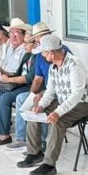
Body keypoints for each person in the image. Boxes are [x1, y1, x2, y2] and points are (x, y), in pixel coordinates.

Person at [17, 34, 88, 175]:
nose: (41, 55)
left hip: (86, 103)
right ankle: (34, 153)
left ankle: (49, 165)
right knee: (34, 112)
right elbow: (50, 91)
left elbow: (76, 95)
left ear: (51, 53)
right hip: (65, 101)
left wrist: (58, 112)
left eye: (43, 52)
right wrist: (41, 106)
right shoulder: (53, 67)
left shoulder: (75, 65)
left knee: (59, 120)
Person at [0, 18, 32, 143]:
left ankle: (4, 135)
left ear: (24, 35)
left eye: (17, 33)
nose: (13, 36)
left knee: (5, 98)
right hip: (10, 81)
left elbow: (18, 73)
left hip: (23, 83)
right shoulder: (10, 48)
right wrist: (0, 72)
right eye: (11, 32)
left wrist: (4, 74)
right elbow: (7, 67)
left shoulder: (25, 49)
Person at [9, 22, 61, 151]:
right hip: (47, 90)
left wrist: (42, 95)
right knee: (23, 98)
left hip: (57, 94)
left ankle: (41, 142)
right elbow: (37, 79)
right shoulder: (40, 54)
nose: (36, 42)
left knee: (40, 105)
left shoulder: (57, 52)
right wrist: (31, 96)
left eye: (37, 39)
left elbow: (59, 85)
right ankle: (22, 139)